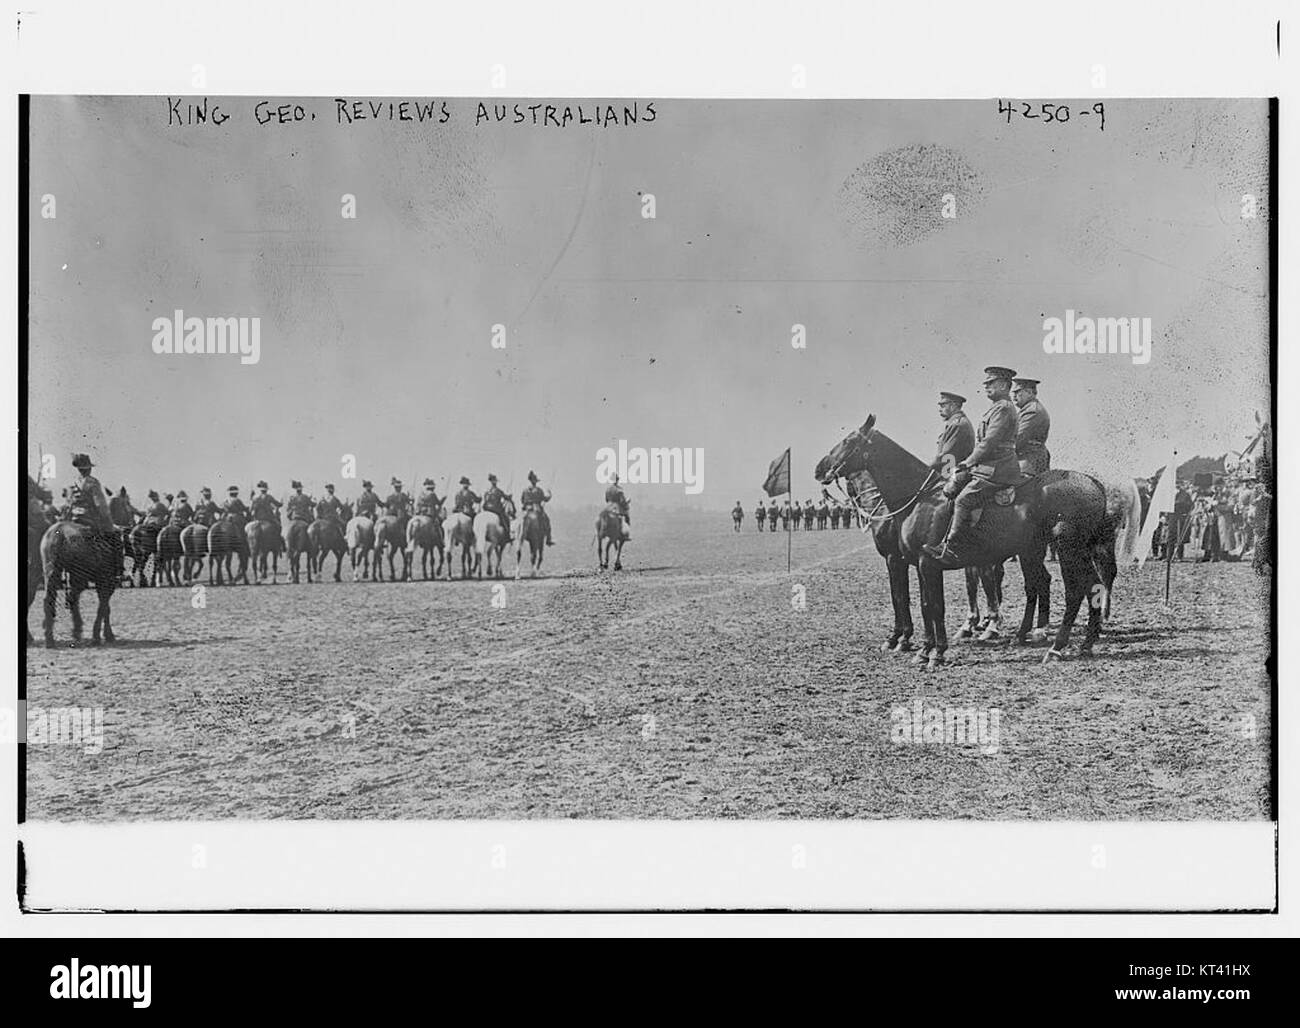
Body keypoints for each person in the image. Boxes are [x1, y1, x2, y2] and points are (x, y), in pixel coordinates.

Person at [924, 366, 1021, 562]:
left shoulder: (1003, 408)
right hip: (989, 466)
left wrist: (967, 463)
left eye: (990, 383)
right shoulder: (998, 407)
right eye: (986, 384)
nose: (986, 387)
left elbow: (989, 442)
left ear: (1003, 385)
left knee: (964, 500)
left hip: (998, 468)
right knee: (951, 489)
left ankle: (954, 547)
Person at [67, 453, 122, 574]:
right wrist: (108, 520)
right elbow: (101, 505)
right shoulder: (93, 483)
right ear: (89, 468)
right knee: (116, 535)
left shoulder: (73, 483)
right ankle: (117, 570)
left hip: (74, 519)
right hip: (89, 519)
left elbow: (69, 504)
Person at [932, 390, 975, 480]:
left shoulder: (958, 425)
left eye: (943, 406)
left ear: (954, 406)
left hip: (953, 476)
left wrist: (929, 468)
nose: (940, 409)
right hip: (951, 473)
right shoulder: (954, 423)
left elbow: (947, 456)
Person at [1012, 377, 1051, 475]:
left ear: (1029, 393)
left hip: (1029, 460)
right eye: (1013, 393)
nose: (1014, 396)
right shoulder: (1027, 410)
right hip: (1025, 457)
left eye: (1017, 392)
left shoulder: (1032, 411)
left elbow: (1018, 440)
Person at [520, 471, 554, 546]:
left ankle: (515, 535)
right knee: (547, 520)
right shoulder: (539, 490)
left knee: (519, 520)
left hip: (526, 509)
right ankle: (548, 539)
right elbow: (545, 499)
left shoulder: (525, 490)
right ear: (535, 481)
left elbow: (522, 500)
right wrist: (550, 495)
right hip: (536, 508)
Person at [482, 473, 511, 540]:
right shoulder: (498, 491)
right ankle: (507, 535)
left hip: (486, 509)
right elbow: (505, 497)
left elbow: (485, 500)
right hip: (496, 510)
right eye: (494, 481)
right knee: (505, 519)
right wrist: (509, 497)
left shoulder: (487, 492)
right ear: (494, 482)